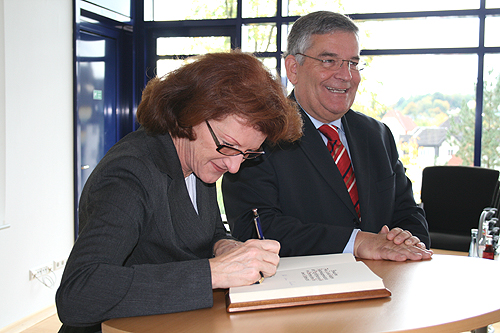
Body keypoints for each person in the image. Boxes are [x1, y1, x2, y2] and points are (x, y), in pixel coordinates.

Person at [56, 50, 303, 333]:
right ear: (190, 114)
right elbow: (78, 294)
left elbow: (204, 231)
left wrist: (224, 247)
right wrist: (215, 272)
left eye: (247, 153)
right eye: (229, 146)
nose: (234, 167)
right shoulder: (129, 173)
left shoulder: (197, 160)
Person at [222, 11, 432, 261]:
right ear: (293, 68)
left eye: (353, 63)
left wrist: (406, 240)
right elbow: (255, 227)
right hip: (305, 291)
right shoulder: (260, 135)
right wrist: (357, 242)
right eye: (329, 61)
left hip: (387, 283)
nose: (346, 75)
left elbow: (408, 212)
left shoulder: (377, 135)